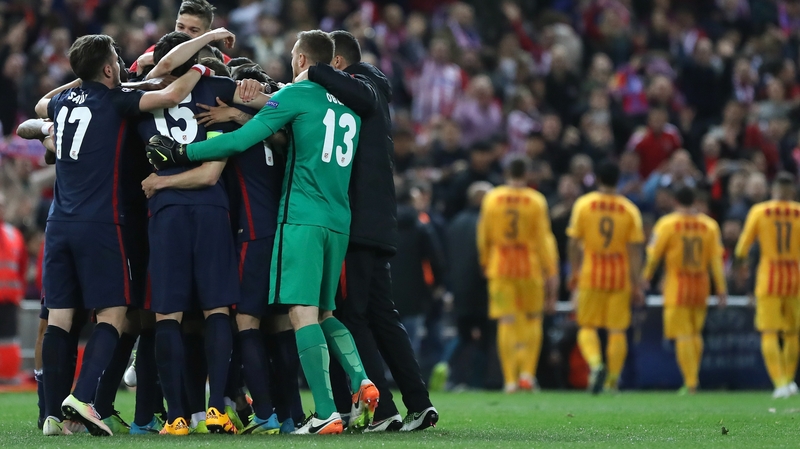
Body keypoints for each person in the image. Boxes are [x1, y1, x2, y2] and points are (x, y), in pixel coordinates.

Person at [145, 30, 378, 436]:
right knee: (326, 313)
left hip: (301, 217)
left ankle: (325, 411)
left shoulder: (294, 97)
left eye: (292, 56)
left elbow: (241, 140)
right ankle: (362, 380)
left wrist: (184, 152)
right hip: (339, 218)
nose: (289, 62)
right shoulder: (348, 107)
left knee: (300, 314)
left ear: (303, 60)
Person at [34, 34, 206, 437]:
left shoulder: (60, 104)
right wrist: (202, 65)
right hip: (102, 223)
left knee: (60, 317)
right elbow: (169, 96)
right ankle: (82, 398)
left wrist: (78, 80)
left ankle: (53, 416)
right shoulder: (116, 101)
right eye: (117, 59)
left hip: (58, 223)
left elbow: (41, 104)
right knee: (113, 313)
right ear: (110, 68)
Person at [137, 30, 270, 436]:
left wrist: (160, 182)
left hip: (165, 214)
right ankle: (216, 410)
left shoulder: (141, 95)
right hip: (211, 208)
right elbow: (278, 107)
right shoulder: (219, 88)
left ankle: (176, 416)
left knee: (167, 315)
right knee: (216, 311)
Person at [305, 30, 438, 432]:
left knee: (353, 315)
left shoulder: (362, 87)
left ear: (339, 64)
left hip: (357, 223)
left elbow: (358, 95)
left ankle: (381, 409)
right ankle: (418, 403)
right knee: (382, 314)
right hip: (378, 222)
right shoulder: (376, 87)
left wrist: (313, 71)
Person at [477, 156, 559, 393]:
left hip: (500, 266)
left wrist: (484, 260)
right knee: (532, 319)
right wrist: (550, 269)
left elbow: (484, 234)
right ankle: (527, 375)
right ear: (528, 175)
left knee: (507, 321)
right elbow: (544, 238)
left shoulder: (492, 198)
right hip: (529, 267)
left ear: (506, 173)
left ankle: (510, 380)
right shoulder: (536, 200)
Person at [567, 160, 645, 394]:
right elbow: (634, 250)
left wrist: (574, 271)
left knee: (587, 326)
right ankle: (612, 380)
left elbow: (572, 241)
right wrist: (636, 282)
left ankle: (595, 364)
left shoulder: (584, 205)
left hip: (592, 273)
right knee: (617, 331)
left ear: (598, 179)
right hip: (619, 275)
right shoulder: (629, 209)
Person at [642, 186, 727, 394]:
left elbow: (653, 255)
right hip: (701, 284)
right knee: (695, 334)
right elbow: (716, 261)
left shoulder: (667, 224)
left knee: (683, 335)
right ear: (695, 201)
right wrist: (721, 288)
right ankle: (693, 378)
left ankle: (691, 382)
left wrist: (645, 277)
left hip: (677, 284)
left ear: (675, 201)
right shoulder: (709, 225)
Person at [734, 172, 800, 398]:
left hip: (769, 278)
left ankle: (780, 382)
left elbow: (742, 247)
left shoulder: (760, 212)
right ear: (792, 192)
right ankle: (790, 381)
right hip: (795, 278)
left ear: (773, 190)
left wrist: (740, 271)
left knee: (769, 332)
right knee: (792, 332)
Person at [129, 0, 229, 75]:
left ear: (207, 34)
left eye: (193, 30)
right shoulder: (153, 53)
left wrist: (228, 104)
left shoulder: (222, 61)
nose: (184, 34)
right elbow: (129, 86)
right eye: (180, 27)